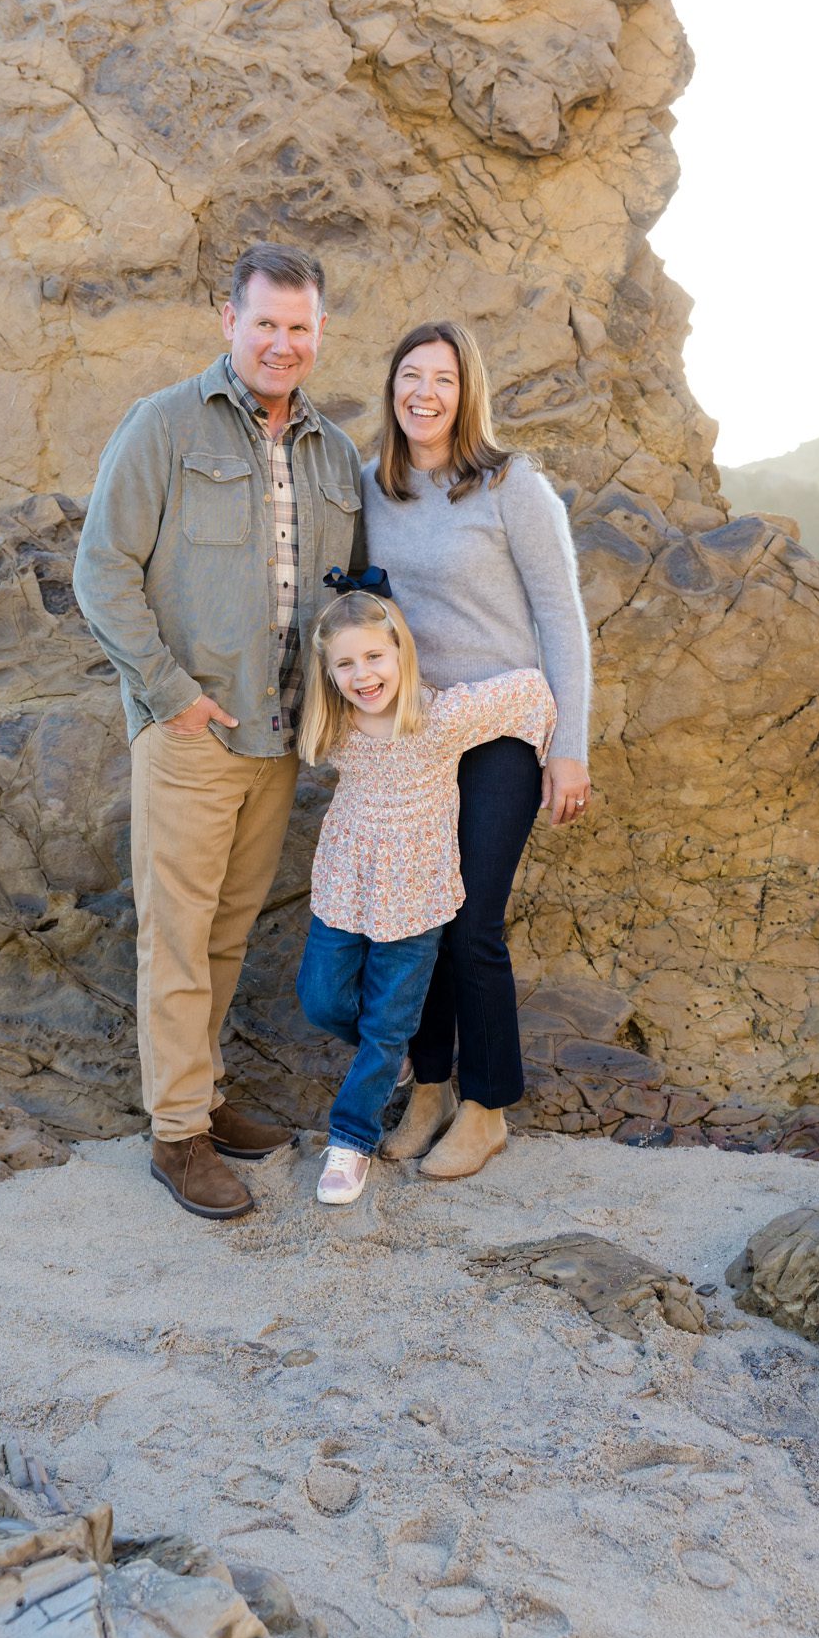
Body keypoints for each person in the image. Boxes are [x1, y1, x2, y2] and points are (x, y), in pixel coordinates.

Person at [72, 243, 363, 1221]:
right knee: (177, 939)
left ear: (321, 334)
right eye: (266, 322)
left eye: (301, 326)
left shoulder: (333, 453)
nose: (283, 342)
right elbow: (101, 570)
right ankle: (176, 1135)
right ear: (227, 322)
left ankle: (202, 1094)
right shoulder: (162, 426)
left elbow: (355, 594)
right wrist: (171, 693)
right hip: (191, 734)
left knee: (229, 934)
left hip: (277, 739)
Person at [363, 320, 593, 1179]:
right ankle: (428, 1088)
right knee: (417, 917)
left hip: (500, 726)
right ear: (391, 387)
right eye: (410, 375)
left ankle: (486, 1105)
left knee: (472, 921)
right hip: (416, 736)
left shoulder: (509, 485)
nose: (424, 392)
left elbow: (560, 620)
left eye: (444, 380)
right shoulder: (369, 488)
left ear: (467, 395)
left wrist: (566, 749)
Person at [295, 582, 556, 1205]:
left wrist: (561, 754)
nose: (363, 675)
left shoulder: (438, 717)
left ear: (402, 654)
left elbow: (529, 691)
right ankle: (405, 1065)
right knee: (321, 998)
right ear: (328, 673)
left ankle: (351, 1141)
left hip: (417, 894)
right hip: (347, 885)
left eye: (375, 658)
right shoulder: (333, 724)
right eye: (346, 664)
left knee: (389, 1022)